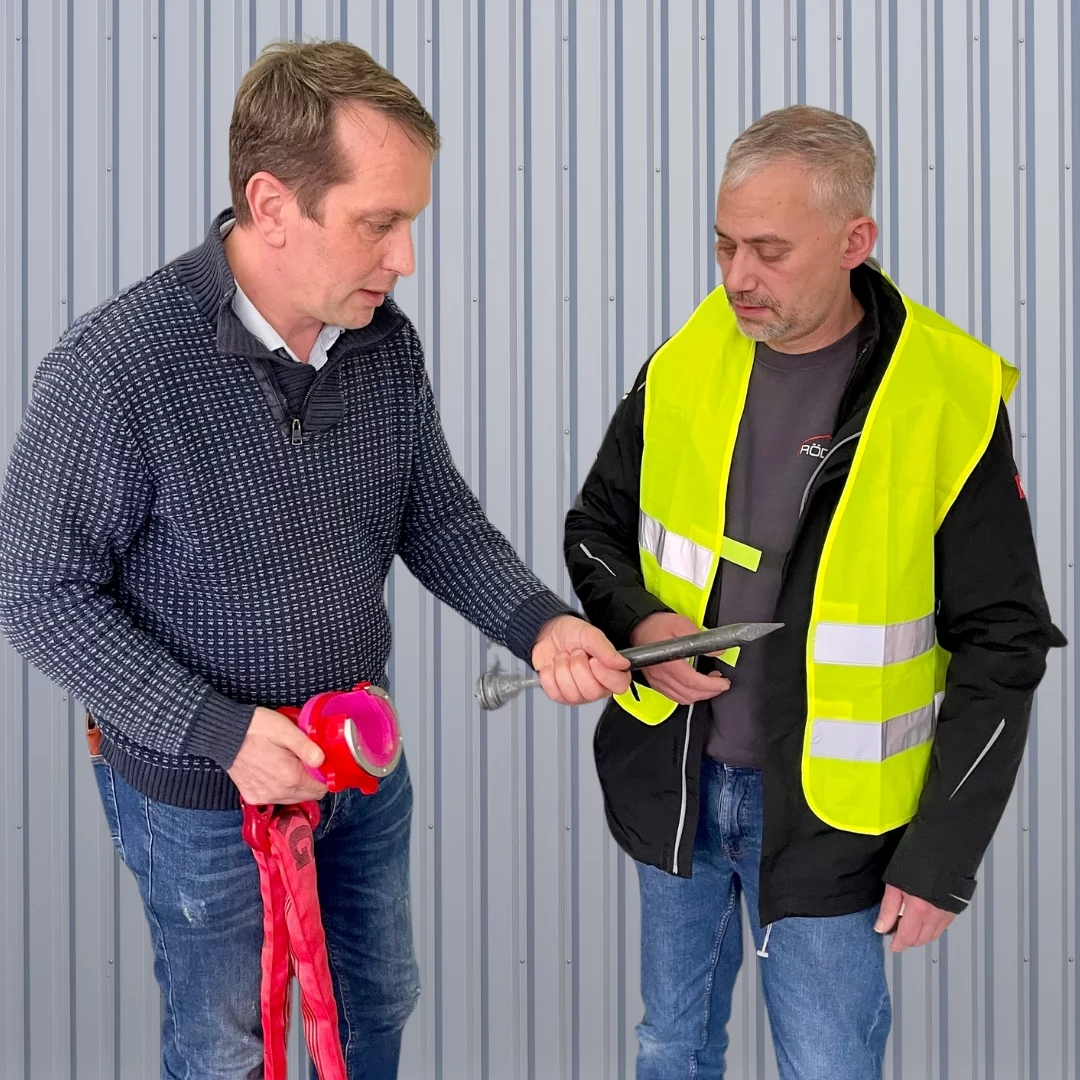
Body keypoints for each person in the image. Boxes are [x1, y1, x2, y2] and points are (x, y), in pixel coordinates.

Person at [0, 41, 630, 1080]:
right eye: (379, 223)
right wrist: (221, 732)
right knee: (232, 1046)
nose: (405, 258)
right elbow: (40, 596)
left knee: (378, 1001)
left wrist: (542, 622)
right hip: (205, 795)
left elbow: (436, 519)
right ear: (271, 202)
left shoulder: (383, 344)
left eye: (410, 222)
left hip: (360, 767)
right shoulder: (114, 368)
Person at [564, 104, 1065, 1080]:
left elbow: (1003, 643)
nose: (737, 276)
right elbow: (596, 529)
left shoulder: (946, 398)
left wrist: (941, 859)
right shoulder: (688, 359)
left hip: (834, 823)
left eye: (768, 250)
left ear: (854, 240)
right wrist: (642, 622)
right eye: (723, 245)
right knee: (669, 1050)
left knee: (830, 1065)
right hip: (676, 788)